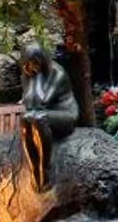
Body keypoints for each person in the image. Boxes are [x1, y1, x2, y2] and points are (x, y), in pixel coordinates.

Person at [17, 41, 78, 189]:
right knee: (25, 119)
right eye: (28, 64)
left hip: (65, 114)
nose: (31, 67)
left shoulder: (58, 74)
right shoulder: (27, 75)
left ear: (42, 60)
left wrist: (35, 79)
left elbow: (40, 101)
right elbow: (29, 105)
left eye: (35, 63)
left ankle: (45, 168)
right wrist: (30, 77)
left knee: (39, 118)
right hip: (41, 113)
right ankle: (34, 169)